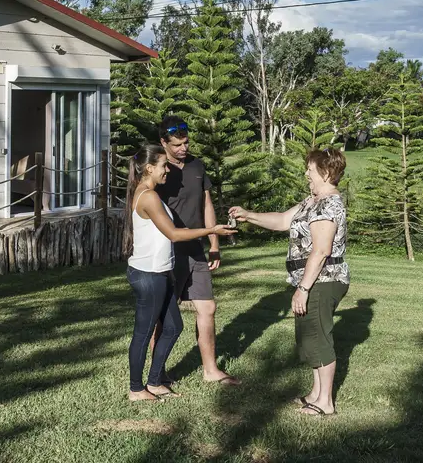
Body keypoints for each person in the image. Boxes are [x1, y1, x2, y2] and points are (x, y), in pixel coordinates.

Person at [229, 147, 350, 417]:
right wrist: (247, 215)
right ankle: (316, 394)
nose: (306, 173)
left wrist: (303, 289)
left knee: (319, 337)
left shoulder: (328, 205)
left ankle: (326, 403)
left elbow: (320, 251)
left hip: (322, 279)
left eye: (310, 168)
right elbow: (284, 220)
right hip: (312, 279)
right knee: (310, 336)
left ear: (326, 172)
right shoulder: (312, 201)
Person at [124, 143, 236, 402]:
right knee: (143, 332)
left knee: (173, 326)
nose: (167, 170)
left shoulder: (151, 192)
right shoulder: (148, 196)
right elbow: (173, 234)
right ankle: (136, 389)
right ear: (149, 168)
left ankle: (155, 381)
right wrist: (211, 231)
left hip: (161, 274)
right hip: (148, 275)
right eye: (163, 166)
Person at [155, 115, 240, 386]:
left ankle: (210, 370)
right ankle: (158, 372)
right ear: (163, 143)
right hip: (169, 250)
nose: (183, 148)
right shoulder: (159, 170)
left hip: (197, 248)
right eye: (177, 144)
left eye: (186, 143)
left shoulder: (197, 166)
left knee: (208, 307)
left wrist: (214, 244)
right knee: (164, 314)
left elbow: (206, 204)